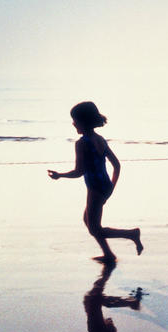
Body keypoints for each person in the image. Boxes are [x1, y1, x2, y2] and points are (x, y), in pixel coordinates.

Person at [48, 101, 143, 263]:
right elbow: (117, 165)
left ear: (83, 122)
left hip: (95, 189)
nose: (73, 123)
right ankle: (108, 253)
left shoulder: (82, 143)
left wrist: (60, 175)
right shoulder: (100, 139)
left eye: (75, 120)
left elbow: (79, 172)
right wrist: (111, 187)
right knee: (88, 221)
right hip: (105, 186)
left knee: (94, 227)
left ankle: (131, 234)